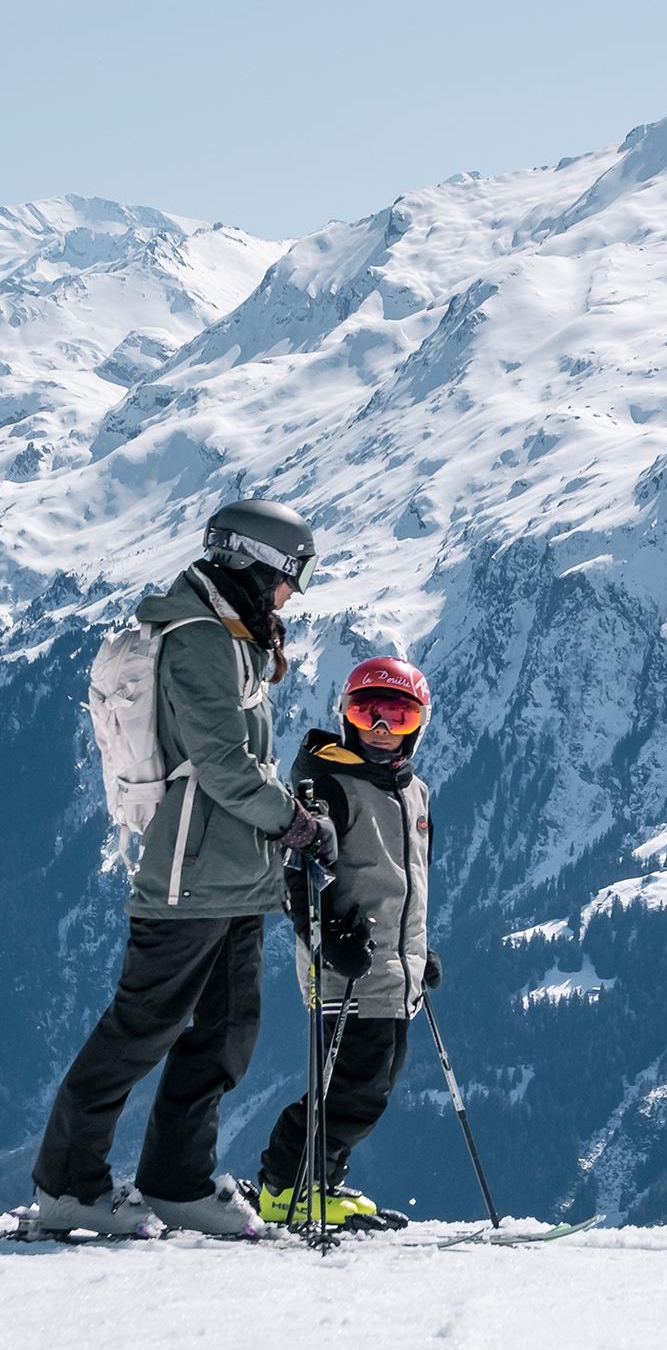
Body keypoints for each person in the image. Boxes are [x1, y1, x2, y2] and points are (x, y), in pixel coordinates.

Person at [33, 499, 339, 1237]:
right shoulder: (201, 637)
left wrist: (279, 818)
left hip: (236, 872)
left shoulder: (231, 631)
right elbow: (222, 764)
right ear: (251, 563)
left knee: (228, 1031)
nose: (289, 594)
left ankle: (176, 1182)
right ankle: (68, 1185)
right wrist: (295, 822)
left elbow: (239, 763)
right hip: (190, 871)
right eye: (287, 577)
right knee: (143, 1026)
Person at [256, 654, 437, 1228]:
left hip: (392, 970)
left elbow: (405, 882)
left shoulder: (414, 792)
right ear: (346, 716)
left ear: (418, 725)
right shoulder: (329, 785)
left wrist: (417, 953)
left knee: (372, 1085)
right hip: (347, 965)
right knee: (352, 1087)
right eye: (368, 712)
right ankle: (287, 1188)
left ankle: (322, 1181)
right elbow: (296, 875)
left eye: (398, 717)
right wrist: (328, 936)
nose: (381, 729)